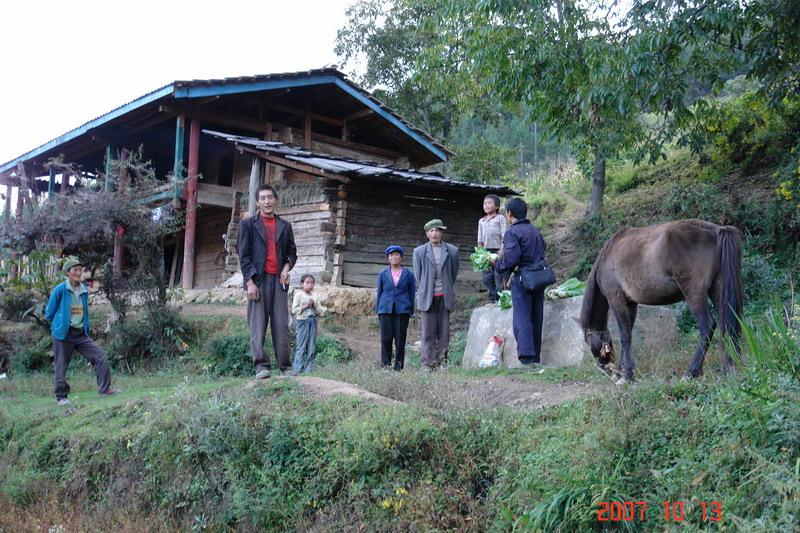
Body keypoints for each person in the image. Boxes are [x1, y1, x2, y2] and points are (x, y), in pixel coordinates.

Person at [237, 184, 297, 379]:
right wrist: (250, 282)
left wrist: (286, 268)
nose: (267, 201)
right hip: (258, 280)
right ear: (257, 202)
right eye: (262, 198)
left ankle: (285, 367)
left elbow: (292, 252)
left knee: (281, 325)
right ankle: (261, 366)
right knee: (257, 325)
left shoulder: (285, 226)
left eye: (270, 197)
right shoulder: (248, 225)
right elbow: (243, 256)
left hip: (279, 281)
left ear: (276, 200)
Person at [44, 257, 118, 405]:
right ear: (68, 273)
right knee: (61, 365)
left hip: (80, 334)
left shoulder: (84, 290)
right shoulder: (60, 290)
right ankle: (61, 397)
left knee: (100, 356)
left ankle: (104, 389)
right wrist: (59, 326)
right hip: (63, 334)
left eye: (80, 270)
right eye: (75, 270)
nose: (78, 273)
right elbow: (49, 314)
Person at [490, 198, 547, 365]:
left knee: (522, 318)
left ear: (509, 214)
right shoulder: (534, 230)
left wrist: (498, 264)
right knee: (536, 317)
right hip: (538, 278)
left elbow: (512, 258)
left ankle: (527, 358)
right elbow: (543, 247)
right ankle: (535, 357)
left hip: (523, 279)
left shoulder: (512, 232)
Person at [413, 219, 460, 370]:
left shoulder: (452, 251)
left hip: (444, 295)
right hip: (427, 296)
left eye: (437, 230)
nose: (434, 233)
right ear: (427, 234)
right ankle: (428, 363)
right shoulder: (419, 252)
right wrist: (425, 289)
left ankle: (441, 362)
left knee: (444, 332)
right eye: (431, 231)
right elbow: (418, 275)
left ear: (442, 233)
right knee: (428, 331)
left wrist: (446, 287)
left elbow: (453, 273)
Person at [375, 245, 416, 370]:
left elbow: (412, 293)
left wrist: (410, 310)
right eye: (391, 255)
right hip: (385, 309)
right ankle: (385, 366)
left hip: (402, 310)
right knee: (386, 339)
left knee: (400, 339)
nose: (394, 257)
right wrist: (378, 310)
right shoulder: (383, 274)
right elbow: (379, 292)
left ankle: (398, 367)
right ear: (388, 258)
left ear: (401, 257)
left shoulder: (408, 274)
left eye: (397, 255)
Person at [291, 273, 325, 375]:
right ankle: (297, 369)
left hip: (312, 321)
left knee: (311, 346)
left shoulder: (315, 296)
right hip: (302, 322)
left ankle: (308, 369)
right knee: (301, 346)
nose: (310, 285)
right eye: (307, 283)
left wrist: (314, 306)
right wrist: (306, 305)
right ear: (302, 284)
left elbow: (319, 312)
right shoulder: (298, 295)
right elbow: (294, 310)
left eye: (312, 283)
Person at [477, 194, 507, 303]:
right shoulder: (481, 221)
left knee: (498, 276)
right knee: (487, 278)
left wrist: (501, 252)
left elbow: (504, 236)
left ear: (497, 206)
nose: (487, 205)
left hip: (498, 251)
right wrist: (482, 254)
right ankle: (492, 298)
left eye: (490, 203)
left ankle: (501, 299)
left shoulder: (500, 218)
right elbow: (479, 240)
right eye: (485, 203)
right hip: (486, 253)